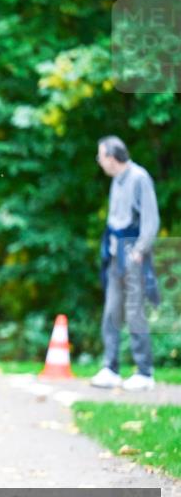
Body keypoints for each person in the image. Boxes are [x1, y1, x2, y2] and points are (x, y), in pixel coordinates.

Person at [91, 136, 161, 391]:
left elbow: (150, 220)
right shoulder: (116, 182)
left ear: (112, 157)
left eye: (101, 156)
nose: (100, 162)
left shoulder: (139, 178)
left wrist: (140, 250)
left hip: (133, 253)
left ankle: (144, 372)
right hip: (114, 253)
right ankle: (110, 368)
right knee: (111, 312)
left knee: (134, 313)